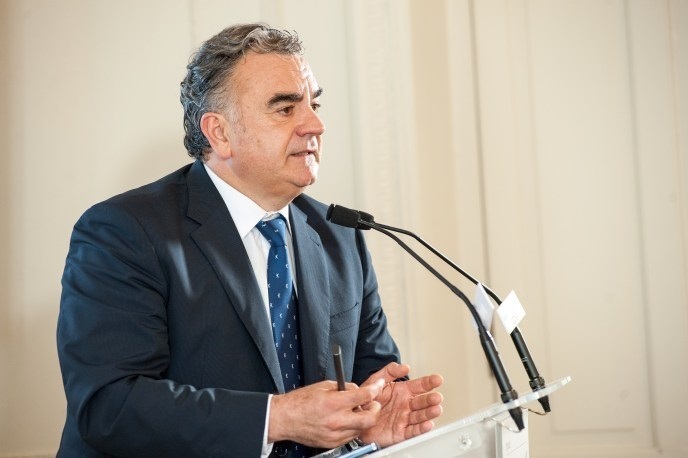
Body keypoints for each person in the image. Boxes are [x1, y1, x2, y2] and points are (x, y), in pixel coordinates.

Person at [56, 23, 443, 457]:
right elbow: (110, 406)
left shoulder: (340, 236)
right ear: (220, 133)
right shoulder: (123, 232)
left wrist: (371, 423)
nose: (315, 124)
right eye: (285, 109)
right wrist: (278, 418)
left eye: (314, 104)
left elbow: (370, 380)